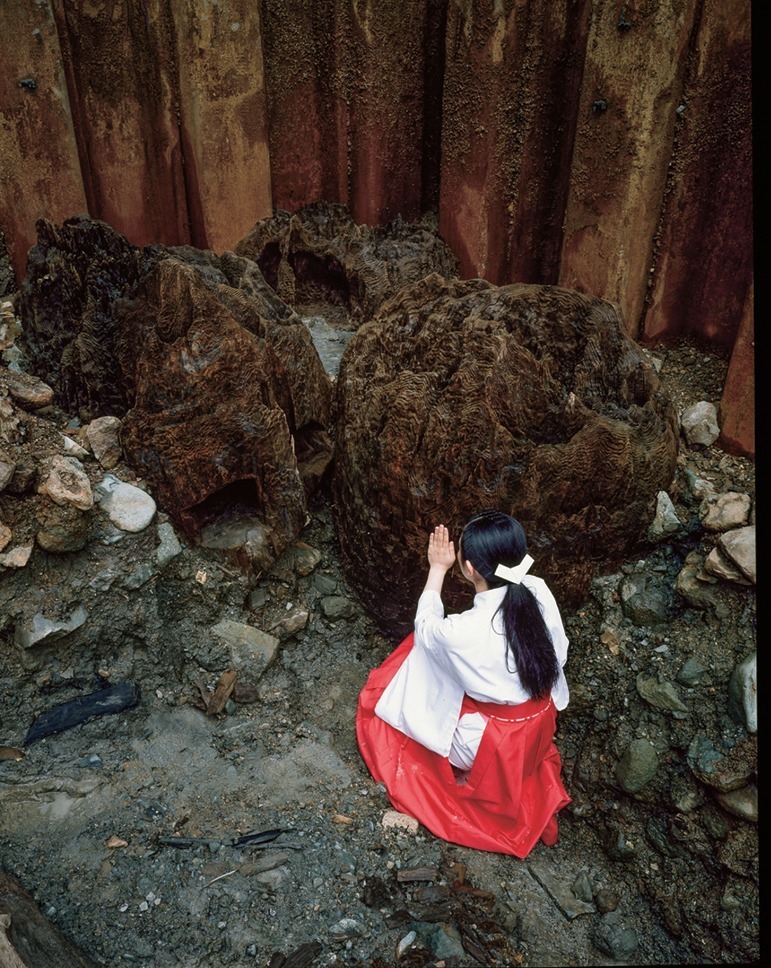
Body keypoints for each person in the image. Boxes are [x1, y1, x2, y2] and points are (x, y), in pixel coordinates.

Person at [356, 510, 571, 856]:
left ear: (469, 569)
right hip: (540, 722)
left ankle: (452, 764)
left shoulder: (463, 631)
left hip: (492, 745)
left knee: (418, 651)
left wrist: (437, 568)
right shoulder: (536, 588)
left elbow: (426, 627)